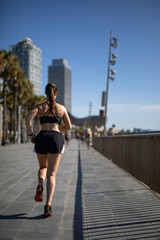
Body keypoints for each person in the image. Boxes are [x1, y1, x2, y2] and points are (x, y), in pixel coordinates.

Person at [25, 83, 72, 217]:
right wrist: (58, 130)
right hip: (56, 138)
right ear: (56, 93)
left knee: (42, 167)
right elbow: (68, 126)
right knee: (52, 174)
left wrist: (30, 134)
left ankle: (40, 185)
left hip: (41, 137)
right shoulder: (61, 108)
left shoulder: (39, 107)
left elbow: (27, 118)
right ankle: (48, 206)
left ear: (46, 93)